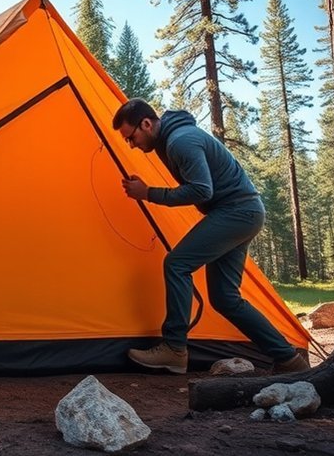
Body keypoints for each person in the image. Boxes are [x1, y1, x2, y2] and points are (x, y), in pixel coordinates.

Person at [112, 98, 308, 375]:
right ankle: (290, 360)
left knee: (176, 264)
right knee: (225, 298)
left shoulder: (181, 141)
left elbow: (202, 190)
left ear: (146, 123)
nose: (131, 144)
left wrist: (149, 194)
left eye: (131, 137)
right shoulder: (174, 139)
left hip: (237, 212)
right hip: (244, 212)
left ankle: (175, 348)